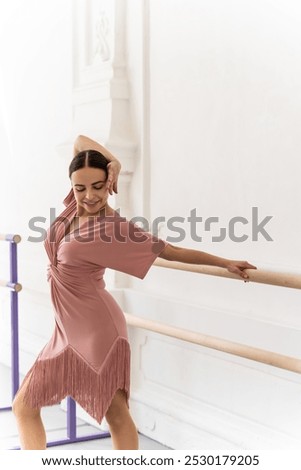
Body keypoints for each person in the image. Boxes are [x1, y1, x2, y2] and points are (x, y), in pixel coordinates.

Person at [12, 135, 256, 450]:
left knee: (115, 413)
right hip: (65, 330)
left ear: (108, 184)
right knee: (24, 406)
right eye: (80, 187)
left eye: (98, 187)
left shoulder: (114, 228)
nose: (88, 195)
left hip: (98, 329)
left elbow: (171, 251)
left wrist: (224, 263)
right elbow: (80, 142)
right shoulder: (75, 205)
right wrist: (114, 161)